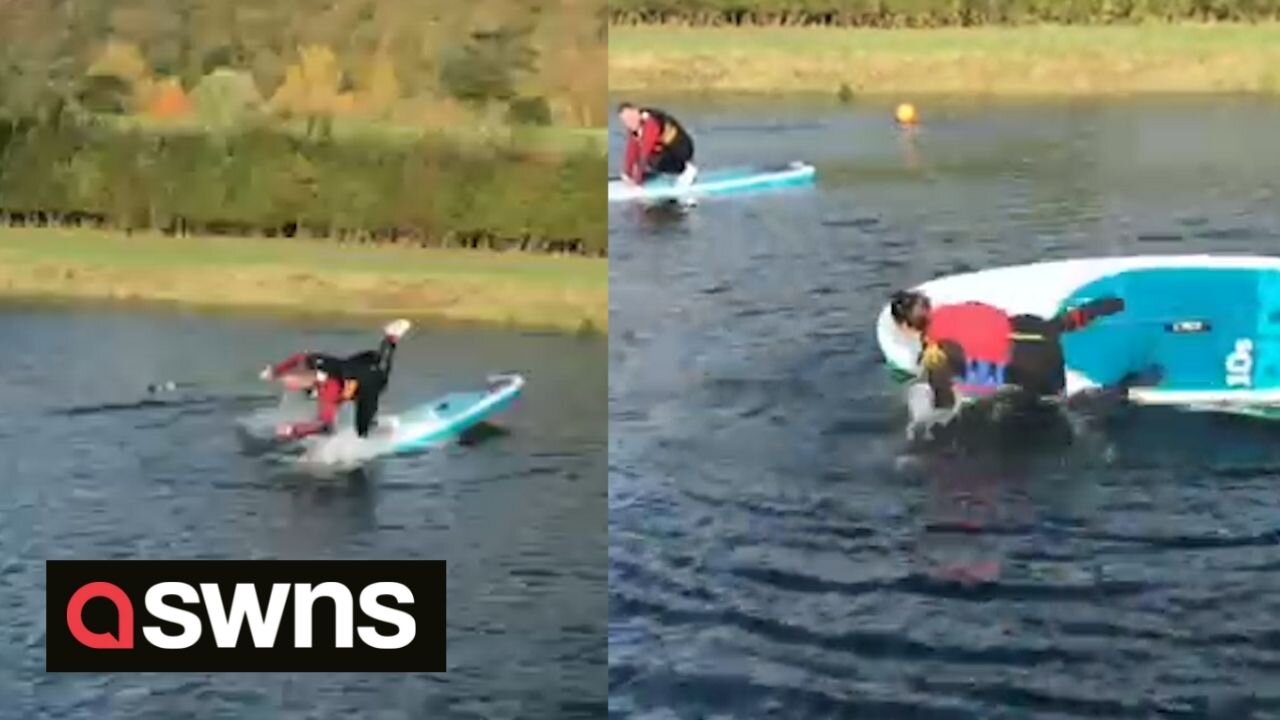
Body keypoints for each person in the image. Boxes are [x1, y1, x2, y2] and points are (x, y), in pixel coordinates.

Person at [888, 290, 1132, 411]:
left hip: (1035, 365)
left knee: (1061, 406)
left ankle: (1124, 387)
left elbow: (945, 409)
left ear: (906, 326)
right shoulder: (957, 309)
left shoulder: (935, 353)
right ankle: (1111, 305)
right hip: (1030, 328)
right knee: (1054, 326)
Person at [259, 319, 411, 440]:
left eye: (292, 380)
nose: (289, 382)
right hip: (360, 377)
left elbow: (325, 426)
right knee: (375, 364)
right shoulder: (318, 374)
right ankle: (391, 337)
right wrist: (276, 371)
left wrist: (294, 430)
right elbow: (299, 358)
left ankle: (391, 337)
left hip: (364, 381)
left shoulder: (326, 384)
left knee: (363, 431)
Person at [617, 102, 697, 189]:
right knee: (647, 160)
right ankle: (667, 172)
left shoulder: (651, 123)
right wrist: (626, 173)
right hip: (665, 150)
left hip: (682, 150)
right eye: (625, 121)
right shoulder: (635, 127)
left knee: (649, 159)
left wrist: (637, 182)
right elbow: (631, 150)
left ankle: (688, 169)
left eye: (630, 117)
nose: (629, 122)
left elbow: (645, 152)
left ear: (637, 112)